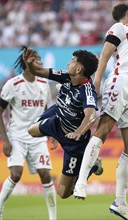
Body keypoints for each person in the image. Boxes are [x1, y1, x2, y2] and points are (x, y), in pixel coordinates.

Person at [73, 1, 128, 219]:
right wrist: (96, 82)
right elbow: (105, 55)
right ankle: (81, 182)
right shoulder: (119, 28)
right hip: (121, 80)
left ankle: (120, 203)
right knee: (104, 128)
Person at [22, 48, 103, 200]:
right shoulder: (66, 76)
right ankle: (54, 132)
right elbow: (38, 71)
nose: (68, 62)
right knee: (31, 130)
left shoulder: (87, 91)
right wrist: (29, 65)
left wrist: (79, 132)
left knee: (63, 193)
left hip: (74, 143)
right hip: (58, 119)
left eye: (72, 61)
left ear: (79, 69)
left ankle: (92, 166)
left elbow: (91, 116)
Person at [0, 46, 56, 220]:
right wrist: (5, 140)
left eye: (40, 59)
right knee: (16, 174)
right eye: (36, 59)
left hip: (38, 137)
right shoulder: (13, 84)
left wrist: (53, 135)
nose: (40, 62)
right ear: (27, 63)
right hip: (17, 137)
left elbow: (49, 112)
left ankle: (53, 217)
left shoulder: (44, 84)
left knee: (46, 175)